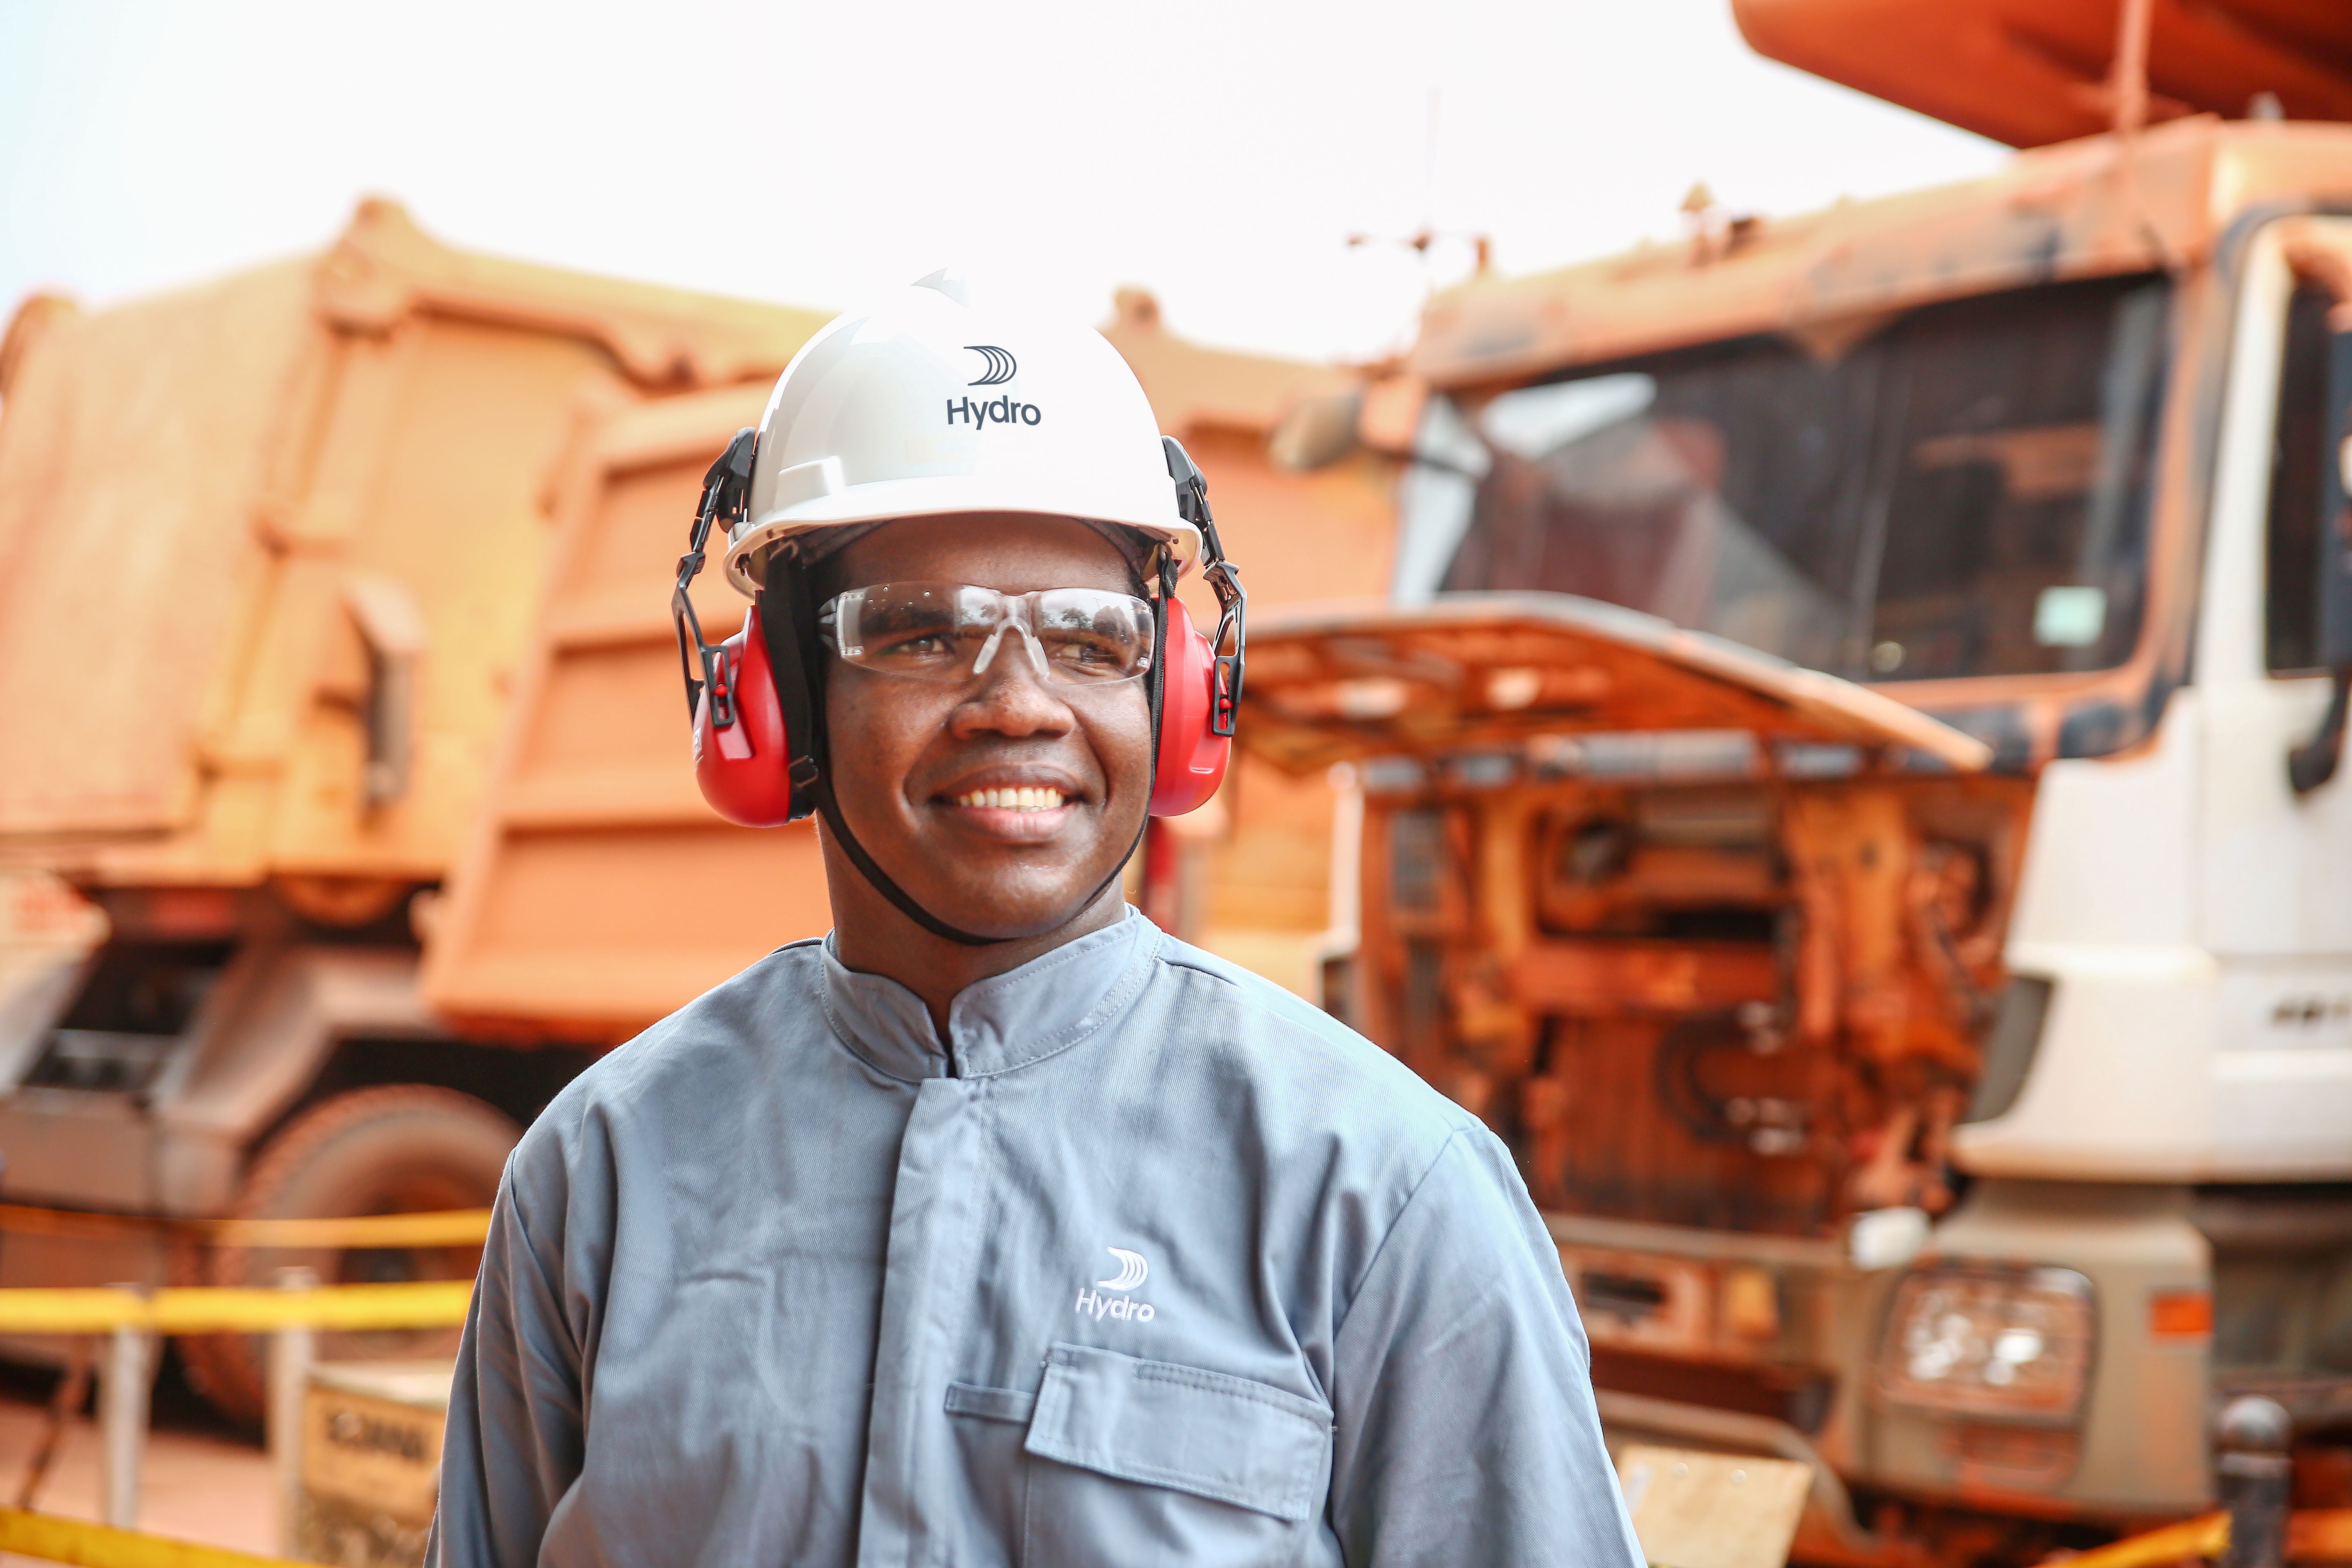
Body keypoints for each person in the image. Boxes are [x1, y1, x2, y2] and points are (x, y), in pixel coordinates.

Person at [428, 272, 1642, 1566]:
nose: (1017, 704)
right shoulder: (604, 1171)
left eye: (1090, 640)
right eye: (917, 636)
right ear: (780, 694)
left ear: (1178, 702)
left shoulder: (1384, 1189)